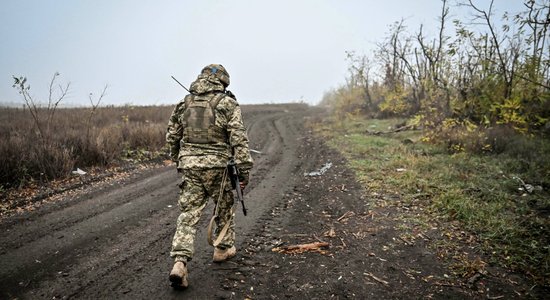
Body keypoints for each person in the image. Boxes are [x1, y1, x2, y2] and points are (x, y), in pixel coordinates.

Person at [165, 64, 253, 288]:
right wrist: (244, 172)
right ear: (223, 82)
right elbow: (239, 140)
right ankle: (222, 249)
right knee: (223, 205)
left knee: (188, 214)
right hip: (218, 167)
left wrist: (180, 160)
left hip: (190, 166)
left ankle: (180, 262)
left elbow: (172, 137)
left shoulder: (183, 104)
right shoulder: (227, 104)